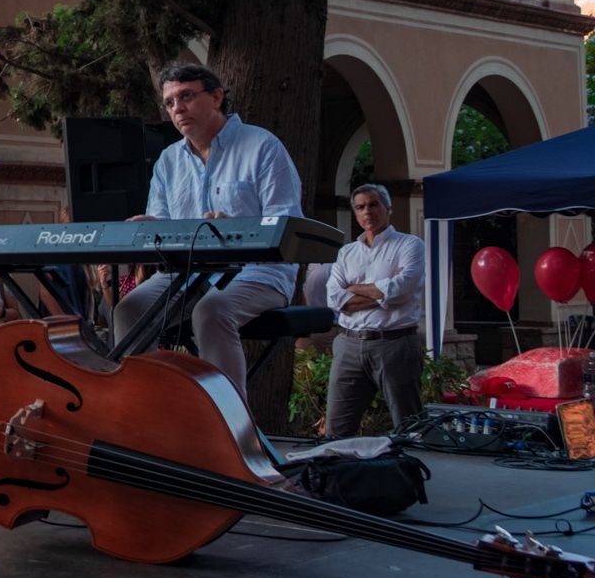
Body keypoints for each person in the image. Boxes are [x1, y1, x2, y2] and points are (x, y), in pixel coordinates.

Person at [110, 63, 303, 402]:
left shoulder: (262, 146)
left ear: (216, 97)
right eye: (169, 102)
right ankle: (145, 413)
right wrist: (153, 229)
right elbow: (167, 231)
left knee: (211, 311)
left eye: (186, 96)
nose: (177, 108)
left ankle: (229, 426)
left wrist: (240, 230)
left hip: (259, 274)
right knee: (128, 310)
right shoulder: (168, 161)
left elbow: (285, 223)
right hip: (187, 274)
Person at [325, 183, 427, 437]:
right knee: (337, 428)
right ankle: (339, 476)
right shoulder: (347, 252)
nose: (367, 212)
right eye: (360, 207)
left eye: (373, 204)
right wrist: (383, 293)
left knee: (408, 425)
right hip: (348, 344)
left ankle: (411, 474)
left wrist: (354, 289)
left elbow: (402, 290)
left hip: (394, 344)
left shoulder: (409, 245)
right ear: (356, 214)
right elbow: (335, 299)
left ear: (388, 208)